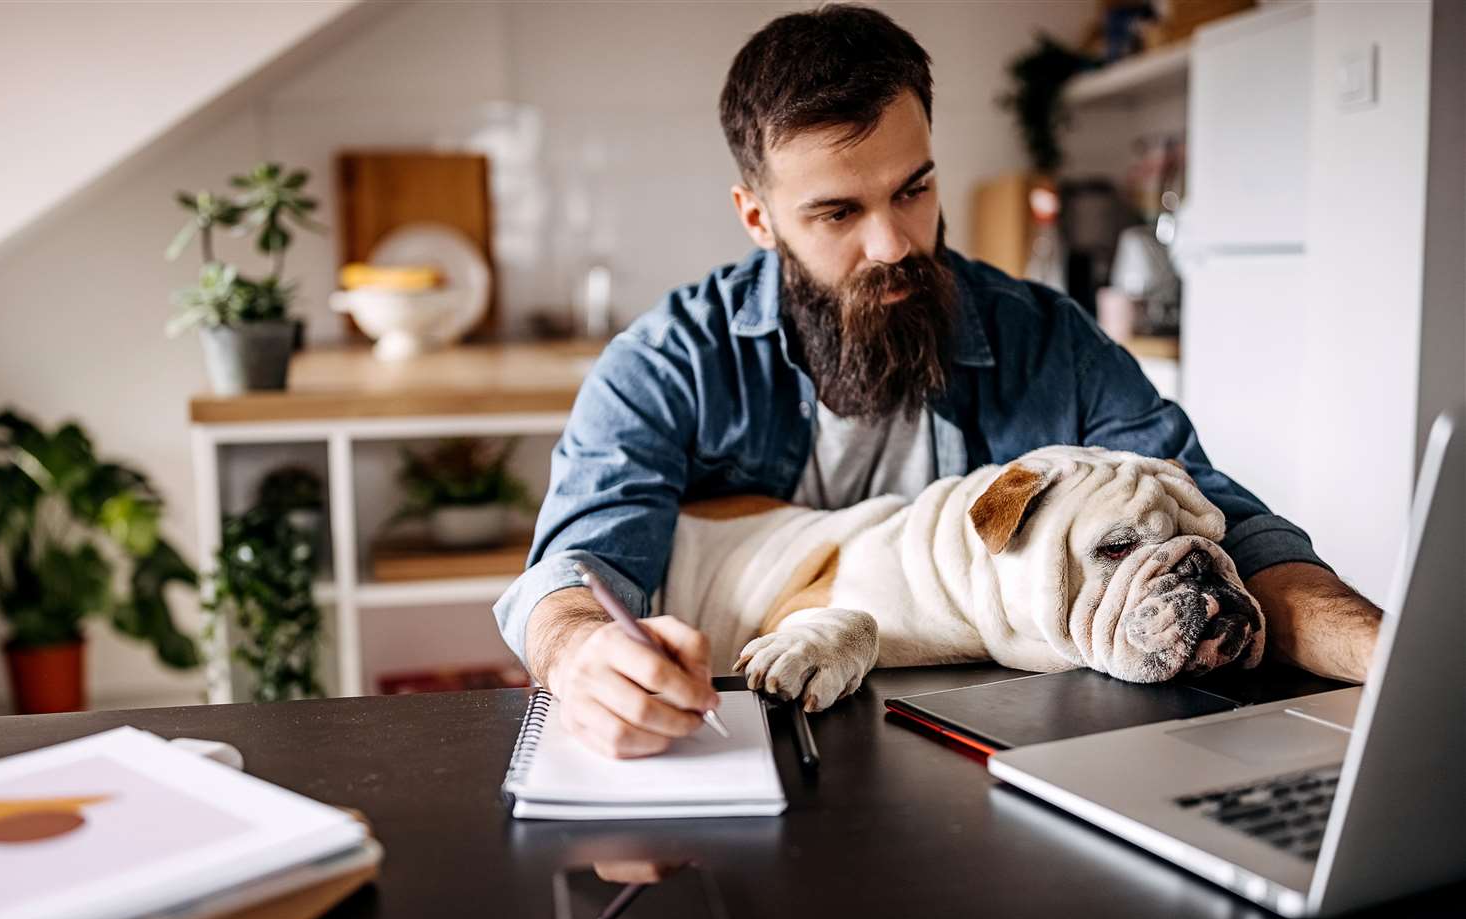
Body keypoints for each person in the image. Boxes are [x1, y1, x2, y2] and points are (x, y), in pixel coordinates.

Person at [494, 3, 1382, 759]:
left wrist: (1393, 653)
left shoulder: (1044, 341)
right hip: (742, 754)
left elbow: (1233, 524)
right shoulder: (670, 360)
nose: (892, 244)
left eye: (912, 190)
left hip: (990, 763)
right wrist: (578, 653)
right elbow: (582, 565)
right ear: (757, 217)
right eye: (837, 212)